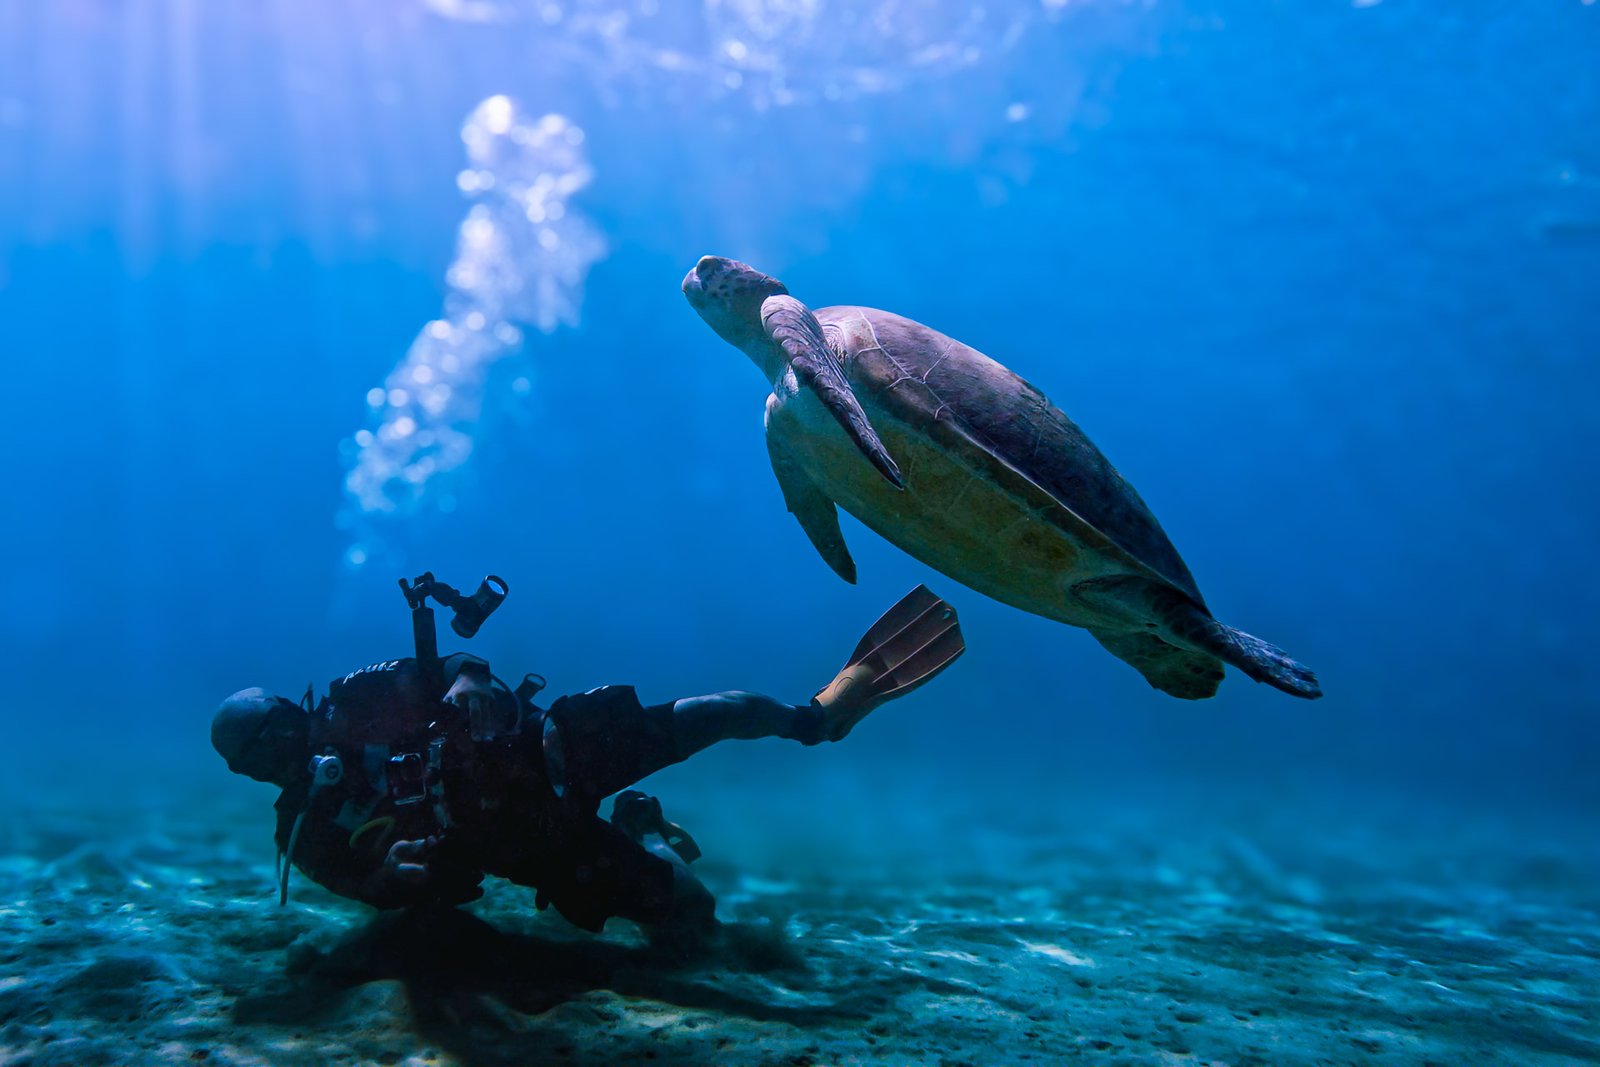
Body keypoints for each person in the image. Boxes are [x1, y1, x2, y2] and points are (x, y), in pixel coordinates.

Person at [212, 578, 963, 948]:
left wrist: (472, 683)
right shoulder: (302, 831)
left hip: (547, 749)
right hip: (534, 846)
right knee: (692, 927)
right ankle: (646, 831)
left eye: (282, 726)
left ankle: (818, 717)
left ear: (291, 706)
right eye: (265, 754)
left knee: (718, 711)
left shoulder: (352, 700)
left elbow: (458, 663)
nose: (288, 747)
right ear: (251, 774)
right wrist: (387, 880)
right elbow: (360, 885)